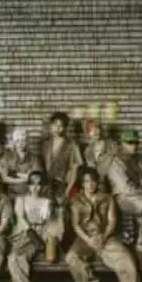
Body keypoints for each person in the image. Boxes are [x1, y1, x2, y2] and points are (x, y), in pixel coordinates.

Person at [65, 167, 142, 282]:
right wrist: (88, 239)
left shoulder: (107, 198)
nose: (90, 184)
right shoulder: (76, 201)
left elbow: (112, 221)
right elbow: (76, 224)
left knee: (124, 257)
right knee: (72, 257)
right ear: (82, 184)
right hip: (85, 239)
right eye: (86, 181)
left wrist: (104, 236)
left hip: (105, 237)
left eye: (93, 181)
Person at [7, 170, 63, 282]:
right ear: (28, 185)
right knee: (14, 258)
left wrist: (48, 236)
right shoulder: (21, 199)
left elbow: (50, 220)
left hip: (43, 231)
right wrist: (31, 234)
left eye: (39, 185)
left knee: (50, 254)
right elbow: (20, 217)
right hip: (26, 232)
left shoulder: (47, 201)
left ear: (43, 186)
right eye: (33, 184)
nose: (36, 188)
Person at [107, 130, 142, 246]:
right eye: (130, 142)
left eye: (136, 142)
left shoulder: (137, 160)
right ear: (122, 143)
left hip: (139, 196)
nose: (134, 145)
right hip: (123, 198)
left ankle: (141, 241)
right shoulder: (116, 163)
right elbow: (125, 188)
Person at [39, 111, 83, 261]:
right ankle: (47, 243)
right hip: (46, 186)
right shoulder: (45, 144)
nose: (57, 128)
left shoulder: (72, 145)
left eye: (61, 125)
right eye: (55, 125)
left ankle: (59, 245)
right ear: (50, 126)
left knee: (61, 212)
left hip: (63, 185)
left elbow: (74, 170)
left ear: (65, 127)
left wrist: (68, 191)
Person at [0, 127, 41, 199]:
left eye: (23, 141)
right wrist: (25, 178)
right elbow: (4, 178)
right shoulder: (7, 156)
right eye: (18, 141)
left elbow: (36, 177)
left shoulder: (33, 157)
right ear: (14, 142)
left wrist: (15, 174)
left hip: (28, 195)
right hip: (11, 195)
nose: (20, 144)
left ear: (27, 141)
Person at [82, 118, 117, 192]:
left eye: (97, 128)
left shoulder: (111, 145)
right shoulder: (88, 151)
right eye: (91, 130)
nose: (95, 132)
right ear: (88, 133)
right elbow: (91, 171)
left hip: (112, 183)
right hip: (96, 186)